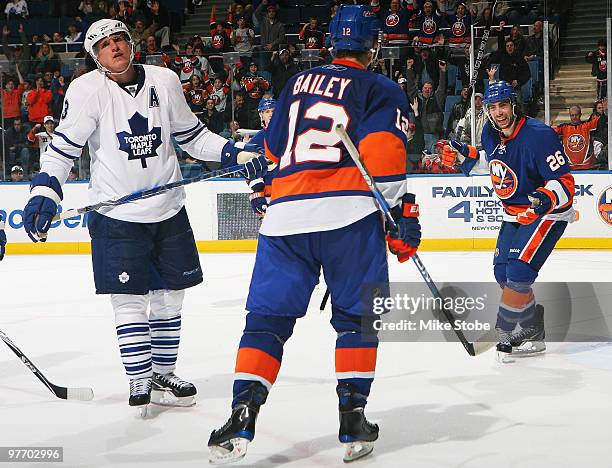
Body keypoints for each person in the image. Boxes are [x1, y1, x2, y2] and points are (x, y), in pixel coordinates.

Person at [208, 5, 420, 464]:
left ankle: (241, 415)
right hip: (350, 218)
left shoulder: (295, 84)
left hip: (285, 220)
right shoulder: (380, 88)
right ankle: (352, 419)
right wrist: (399, 218)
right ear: (373, 45)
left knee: (266, 321)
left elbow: (270, 148)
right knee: (357, 320)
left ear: (332, 42)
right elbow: (384, 162)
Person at [21, 19, 267, 415]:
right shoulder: (86, 90)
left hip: (168, 208)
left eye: (120, 40)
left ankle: (162, 374)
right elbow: (63, 150)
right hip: (117, 215)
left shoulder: (166, 81)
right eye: (104, 45)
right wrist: (45, 191)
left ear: (132, 45)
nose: (114, 47)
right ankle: (139, 375)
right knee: (130, 300)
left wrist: (234, 154)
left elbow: (192, 135)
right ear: (95, 56)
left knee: (171, 297)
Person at [444, 81, 575, 359]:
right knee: (502, 274)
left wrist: (543, 200)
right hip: (513, 212)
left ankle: (503, 329)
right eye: (492, 107)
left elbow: (565, 182)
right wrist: (461, 155)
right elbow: (490, 161)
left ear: (514, 104)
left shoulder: (539, 135)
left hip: (547, 213)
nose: (498, 112)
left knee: (518, 274)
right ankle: (532, 328)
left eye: (503, 105)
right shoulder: (491, 131)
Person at [244, 97, 276, 218]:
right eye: (267, 111)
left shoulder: (291, 135)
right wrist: (257, 193)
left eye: (274, 111)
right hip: (269, 196)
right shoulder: (256, 141)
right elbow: (250, 169)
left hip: (291, 193)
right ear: (261, 115)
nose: (271, 114)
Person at [552, 105, 601, 170]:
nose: (574, 117)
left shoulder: (587, 126)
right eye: (572, 115)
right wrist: (546, 127)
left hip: (587, 166)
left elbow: (602, 119)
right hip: (569, 167)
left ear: (580, 114)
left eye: (576, 115)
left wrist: (605, 110)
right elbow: (549, 132)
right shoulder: (564, 127)